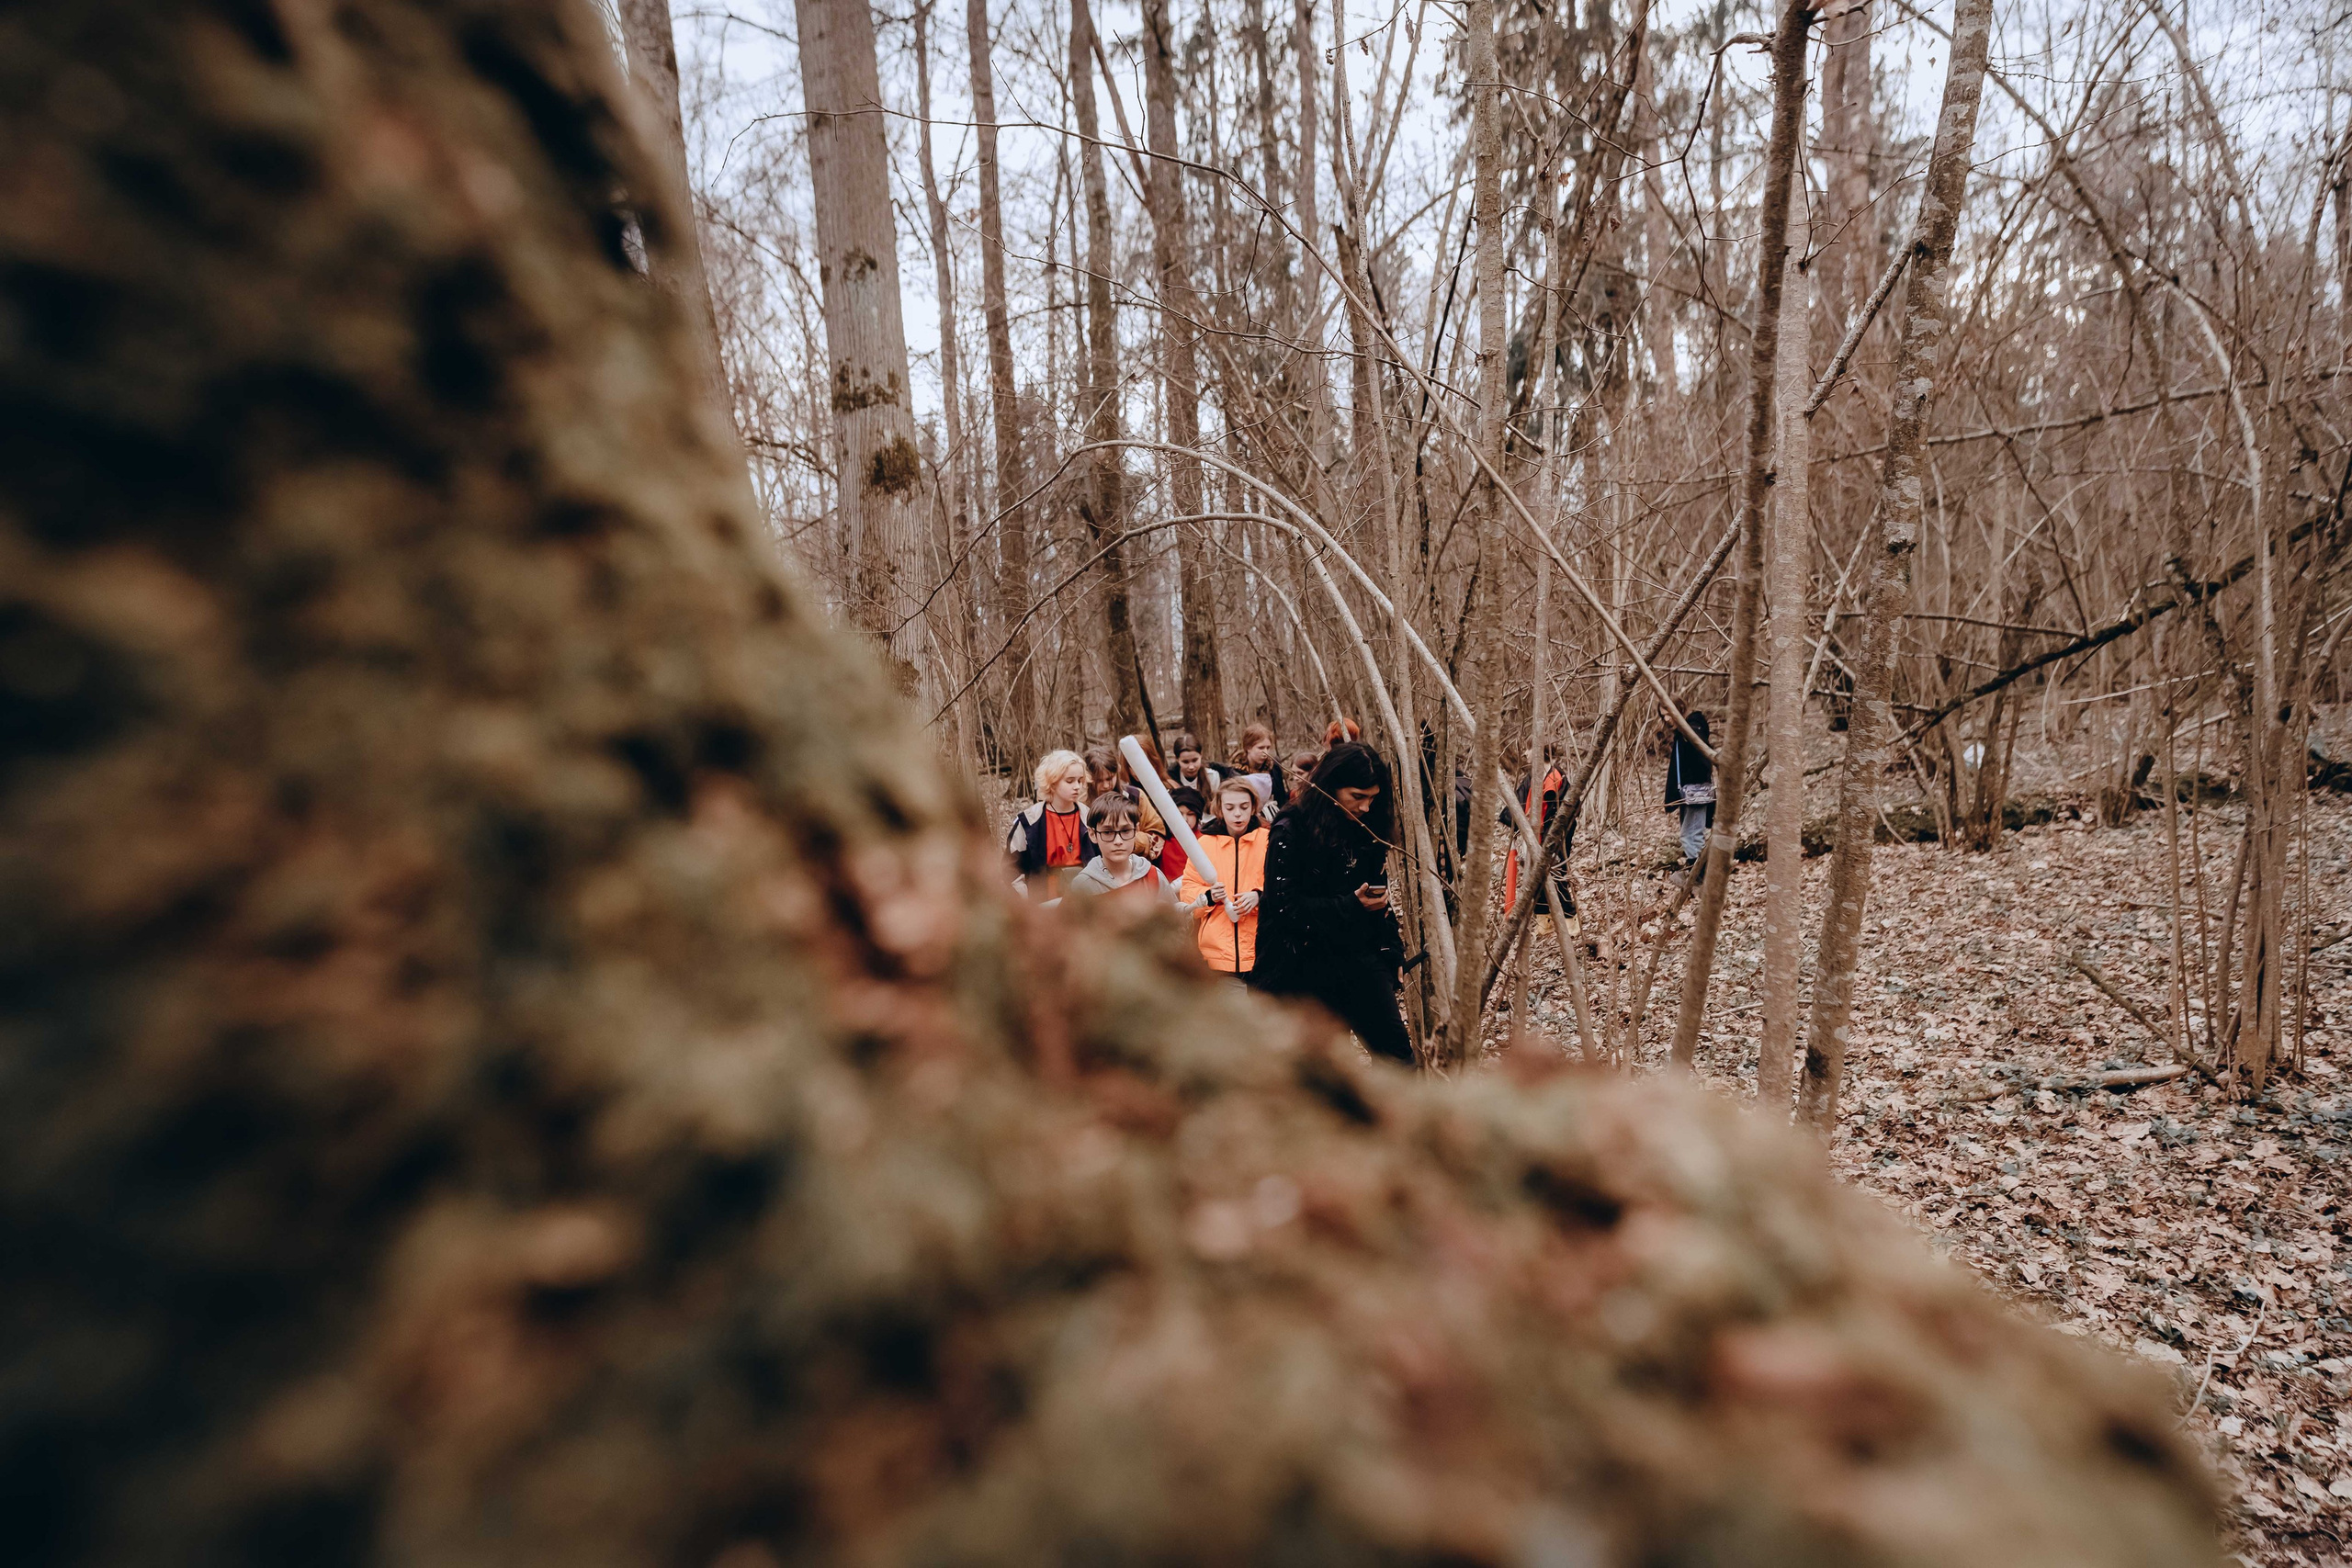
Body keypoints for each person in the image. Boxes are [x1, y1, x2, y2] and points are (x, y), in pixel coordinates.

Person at [1255, 742, 1413, 1066]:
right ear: (1331, 787)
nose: (1366, 807)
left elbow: (1378, 899)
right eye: (1357, 797)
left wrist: (1391, 950)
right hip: (1299, 964)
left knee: (1399, 1061)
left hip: (1358, 957)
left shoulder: (1368, 828)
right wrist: (1349, 906)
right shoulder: (1290, 829)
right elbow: (1285, 908)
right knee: (1315, 1072)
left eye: (1373, 798)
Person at [1179, 777, 1269, 984]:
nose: (1237, 813)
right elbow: (1188, 890)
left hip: (1261, 950)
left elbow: (1283, 887)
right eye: (1230, 808)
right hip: (1217, 957)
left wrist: (1259, 896)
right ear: (1219, 809)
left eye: (1244, 807)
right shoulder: (1205, 844)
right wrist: (1208, 897)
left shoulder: (1268, 841)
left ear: (1253, 806)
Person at [1006, 750, 1096, 898]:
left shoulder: (1089, 817)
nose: (1077, 786)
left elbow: (1104, 861)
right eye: (1070, 781)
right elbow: (1011, 869)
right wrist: (1026, 901)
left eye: (1080, 780)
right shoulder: (1029, 821)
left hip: (1084, 898)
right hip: (1044, 901)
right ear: (1052, 782)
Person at [1067, 793, 1176, 905]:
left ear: (1136, 830)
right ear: (1093, 834)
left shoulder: (1153, 876)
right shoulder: (1083, 886)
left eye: (1125, 831)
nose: (1118, 841)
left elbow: (1174, 918)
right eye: (1108, 832)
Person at [1501, 746, 1568, 909]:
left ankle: (1566, 921)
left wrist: (1548, 840)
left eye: (1529, 748)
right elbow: (1519, 802)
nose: (1524, 753)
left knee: (1555, 879)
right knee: (1537, 881)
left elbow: (1558, 810)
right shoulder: (1533, 777)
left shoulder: (1555, 776)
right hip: (1534, 838)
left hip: (1548, 839)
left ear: (1541, 750)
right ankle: (1544, 922)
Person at [1666, 709, 1715, 873]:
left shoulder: (1691, 730)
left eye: (1668, 711)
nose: (1666, 718)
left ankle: (1698, 875)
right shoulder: (1686, 732)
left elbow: (1704, 761)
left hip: (1696, 793)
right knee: (1690, 834)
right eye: (1663, 714)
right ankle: (1695, 873)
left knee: (1691, 835)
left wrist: (1693, 780)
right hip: (1692, 793)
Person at [1237, 722, 1285, 815]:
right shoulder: (1236, 772)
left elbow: (1281, 797)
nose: (1265, 752)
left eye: (1268, 748)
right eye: (1261, 748)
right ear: (1248, 748)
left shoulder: (1273, 767)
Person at [1159, 784, 1204, 880]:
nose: (1184, 819)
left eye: (1190, 814)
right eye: (1179, 814)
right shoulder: (1161, 840)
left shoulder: (1205, 841)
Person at [1168, 731, 1222, 799]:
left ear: (1201, 755)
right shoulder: (1171, 779)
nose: (1191, 767)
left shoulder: (1212, 777)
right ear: (1177, 759)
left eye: (1195, 760)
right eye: (1185, 762)